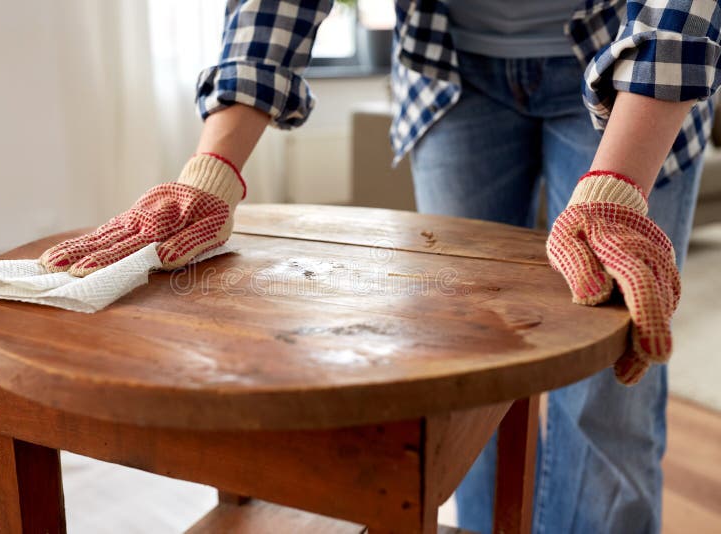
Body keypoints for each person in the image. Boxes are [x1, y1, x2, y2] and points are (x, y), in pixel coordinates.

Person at [39, 1, 719, 532]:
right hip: (450, 66)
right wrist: (214, 164)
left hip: (633, 60)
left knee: (607, 374)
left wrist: (619, 183)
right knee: (471, 351)